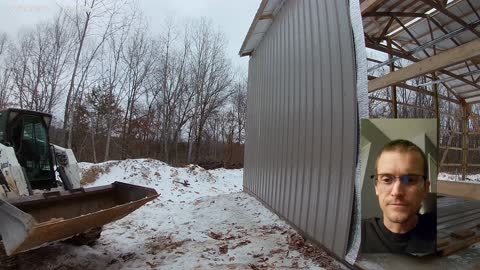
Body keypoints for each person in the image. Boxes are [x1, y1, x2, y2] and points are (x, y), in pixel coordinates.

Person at [361, 139, 436, 255]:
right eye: (386, 179)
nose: (397, 192)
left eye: (410, 180)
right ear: (376, 186)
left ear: (425, 188)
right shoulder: (355, 234)